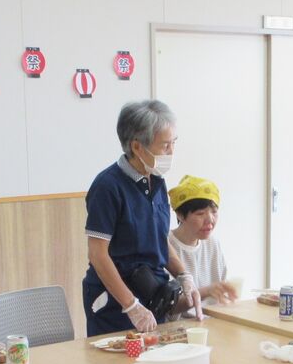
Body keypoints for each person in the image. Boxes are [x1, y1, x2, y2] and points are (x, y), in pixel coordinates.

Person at [82, 100, 198, 336]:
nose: (171, 152)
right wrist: (131, 305)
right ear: (137, 147)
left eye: (174, 143)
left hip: (153, 294)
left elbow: (158, 239)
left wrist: (183, 275)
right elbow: (97, 254)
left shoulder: (157, 182)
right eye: (165, 145)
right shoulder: (107, 186)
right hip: (115, 303)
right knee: (118, 358)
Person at [167, 174, 237, 308]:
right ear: (180, 215)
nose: (210, 219)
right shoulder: (166, 245)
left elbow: (221, 289)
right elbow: (168, 307)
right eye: (200, 213)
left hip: (212, 317)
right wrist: (207, 291)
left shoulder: (213, 244)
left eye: (214, 211)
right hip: (182, 321)